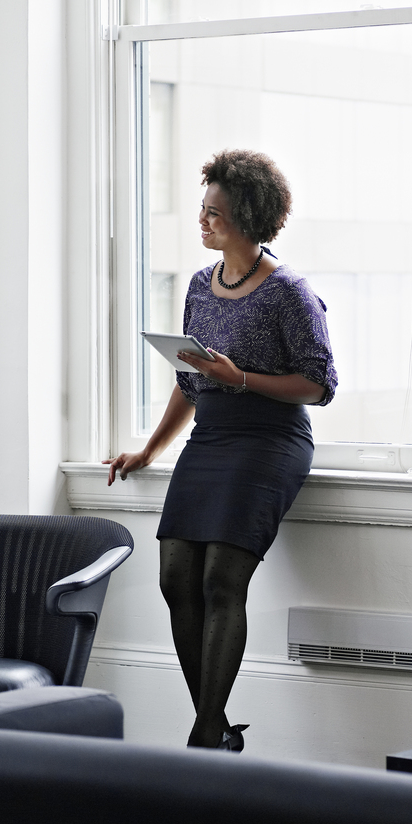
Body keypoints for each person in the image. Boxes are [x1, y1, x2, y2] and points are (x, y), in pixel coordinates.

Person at [105, 149, 336, 752]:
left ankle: (205, 732)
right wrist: (150, 451)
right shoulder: (199, 286)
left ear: (250, 219)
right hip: (210, 437)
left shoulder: (290, 292)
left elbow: (319, 385)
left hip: (269, 442)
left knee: (222, 582)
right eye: (202, 211)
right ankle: (216, 722)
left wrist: (243, 380)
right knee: (176, 578)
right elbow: (190, 380)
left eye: (215, 214)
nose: (202, 222)